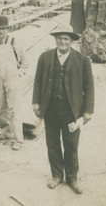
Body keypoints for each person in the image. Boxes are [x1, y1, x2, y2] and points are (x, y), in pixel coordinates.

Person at [32, 25, 94, 194]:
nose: (63, 41)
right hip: (51, 108)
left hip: (72, 110)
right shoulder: (44, 57)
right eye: (60, 38)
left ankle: (72, 178)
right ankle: (57, 175)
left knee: (71, 145)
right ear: (55, 40)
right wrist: (36, 103)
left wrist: (88, 111)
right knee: (52, 143)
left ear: (72, 41)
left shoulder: (82, 60)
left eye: (66, 39)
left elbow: (89, 87)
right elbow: (37, 81)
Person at [0, 15, 26, 151]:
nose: (1, 32)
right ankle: (6, 134)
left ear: (8, 29)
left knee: (14, 110)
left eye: (4, 29)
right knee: (1, 108)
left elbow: (25, 63)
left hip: (12, 80)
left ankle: (18, 140)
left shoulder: (14, 42)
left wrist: (18, 74)